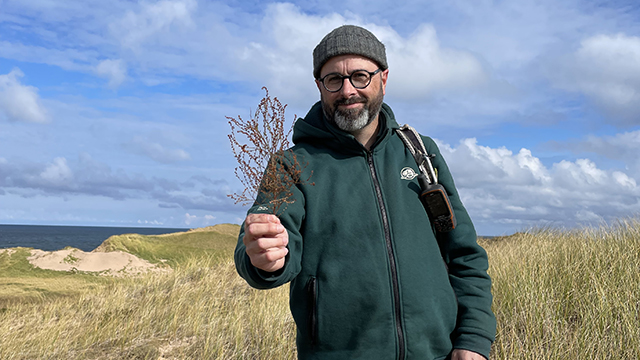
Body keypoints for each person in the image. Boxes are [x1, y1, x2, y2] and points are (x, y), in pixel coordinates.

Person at [235, 25, 496, 360]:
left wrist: (473, 338)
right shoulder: (290, 165)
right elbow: (259, 247)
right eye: (334, 80)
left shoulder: (420, 153)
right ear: (319, 86)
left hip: (438, 353)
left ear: (383, 79)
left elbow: (464, 255)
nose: (348, 91)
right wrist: (262, 258)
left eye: (360, 76)